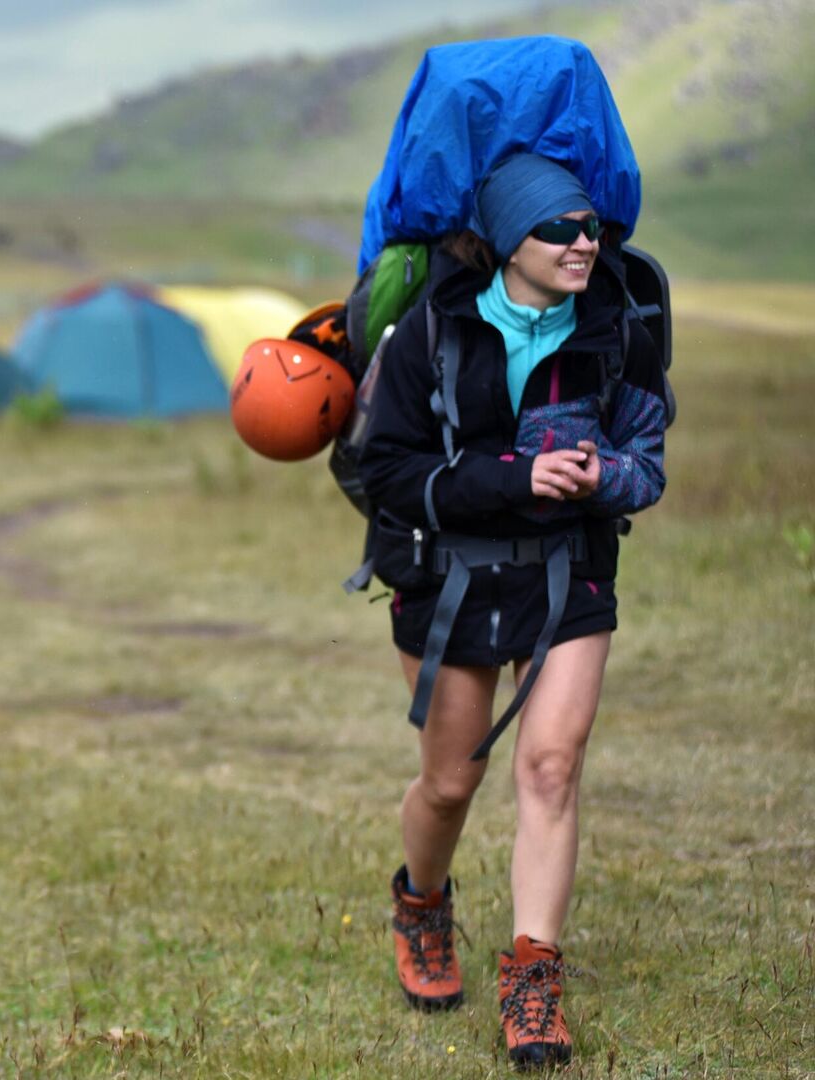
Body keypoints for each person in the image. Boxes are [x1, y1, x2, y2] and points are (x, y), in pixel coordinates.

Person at [357, 153, 669, 1070]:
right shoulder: (431, 333)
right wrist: (512, 475)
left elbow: (647, 459)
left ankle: (534, 982)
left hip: (569, 573)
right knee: (452, 782)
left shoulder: (620, 328)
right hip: (448, 575)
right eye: (559, 229)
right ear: (509, 245)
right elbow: (388, 474)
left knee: (550, 767)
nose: (585, 243)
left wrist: (600, 475)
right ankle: (422, 905)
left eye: (591, 226)